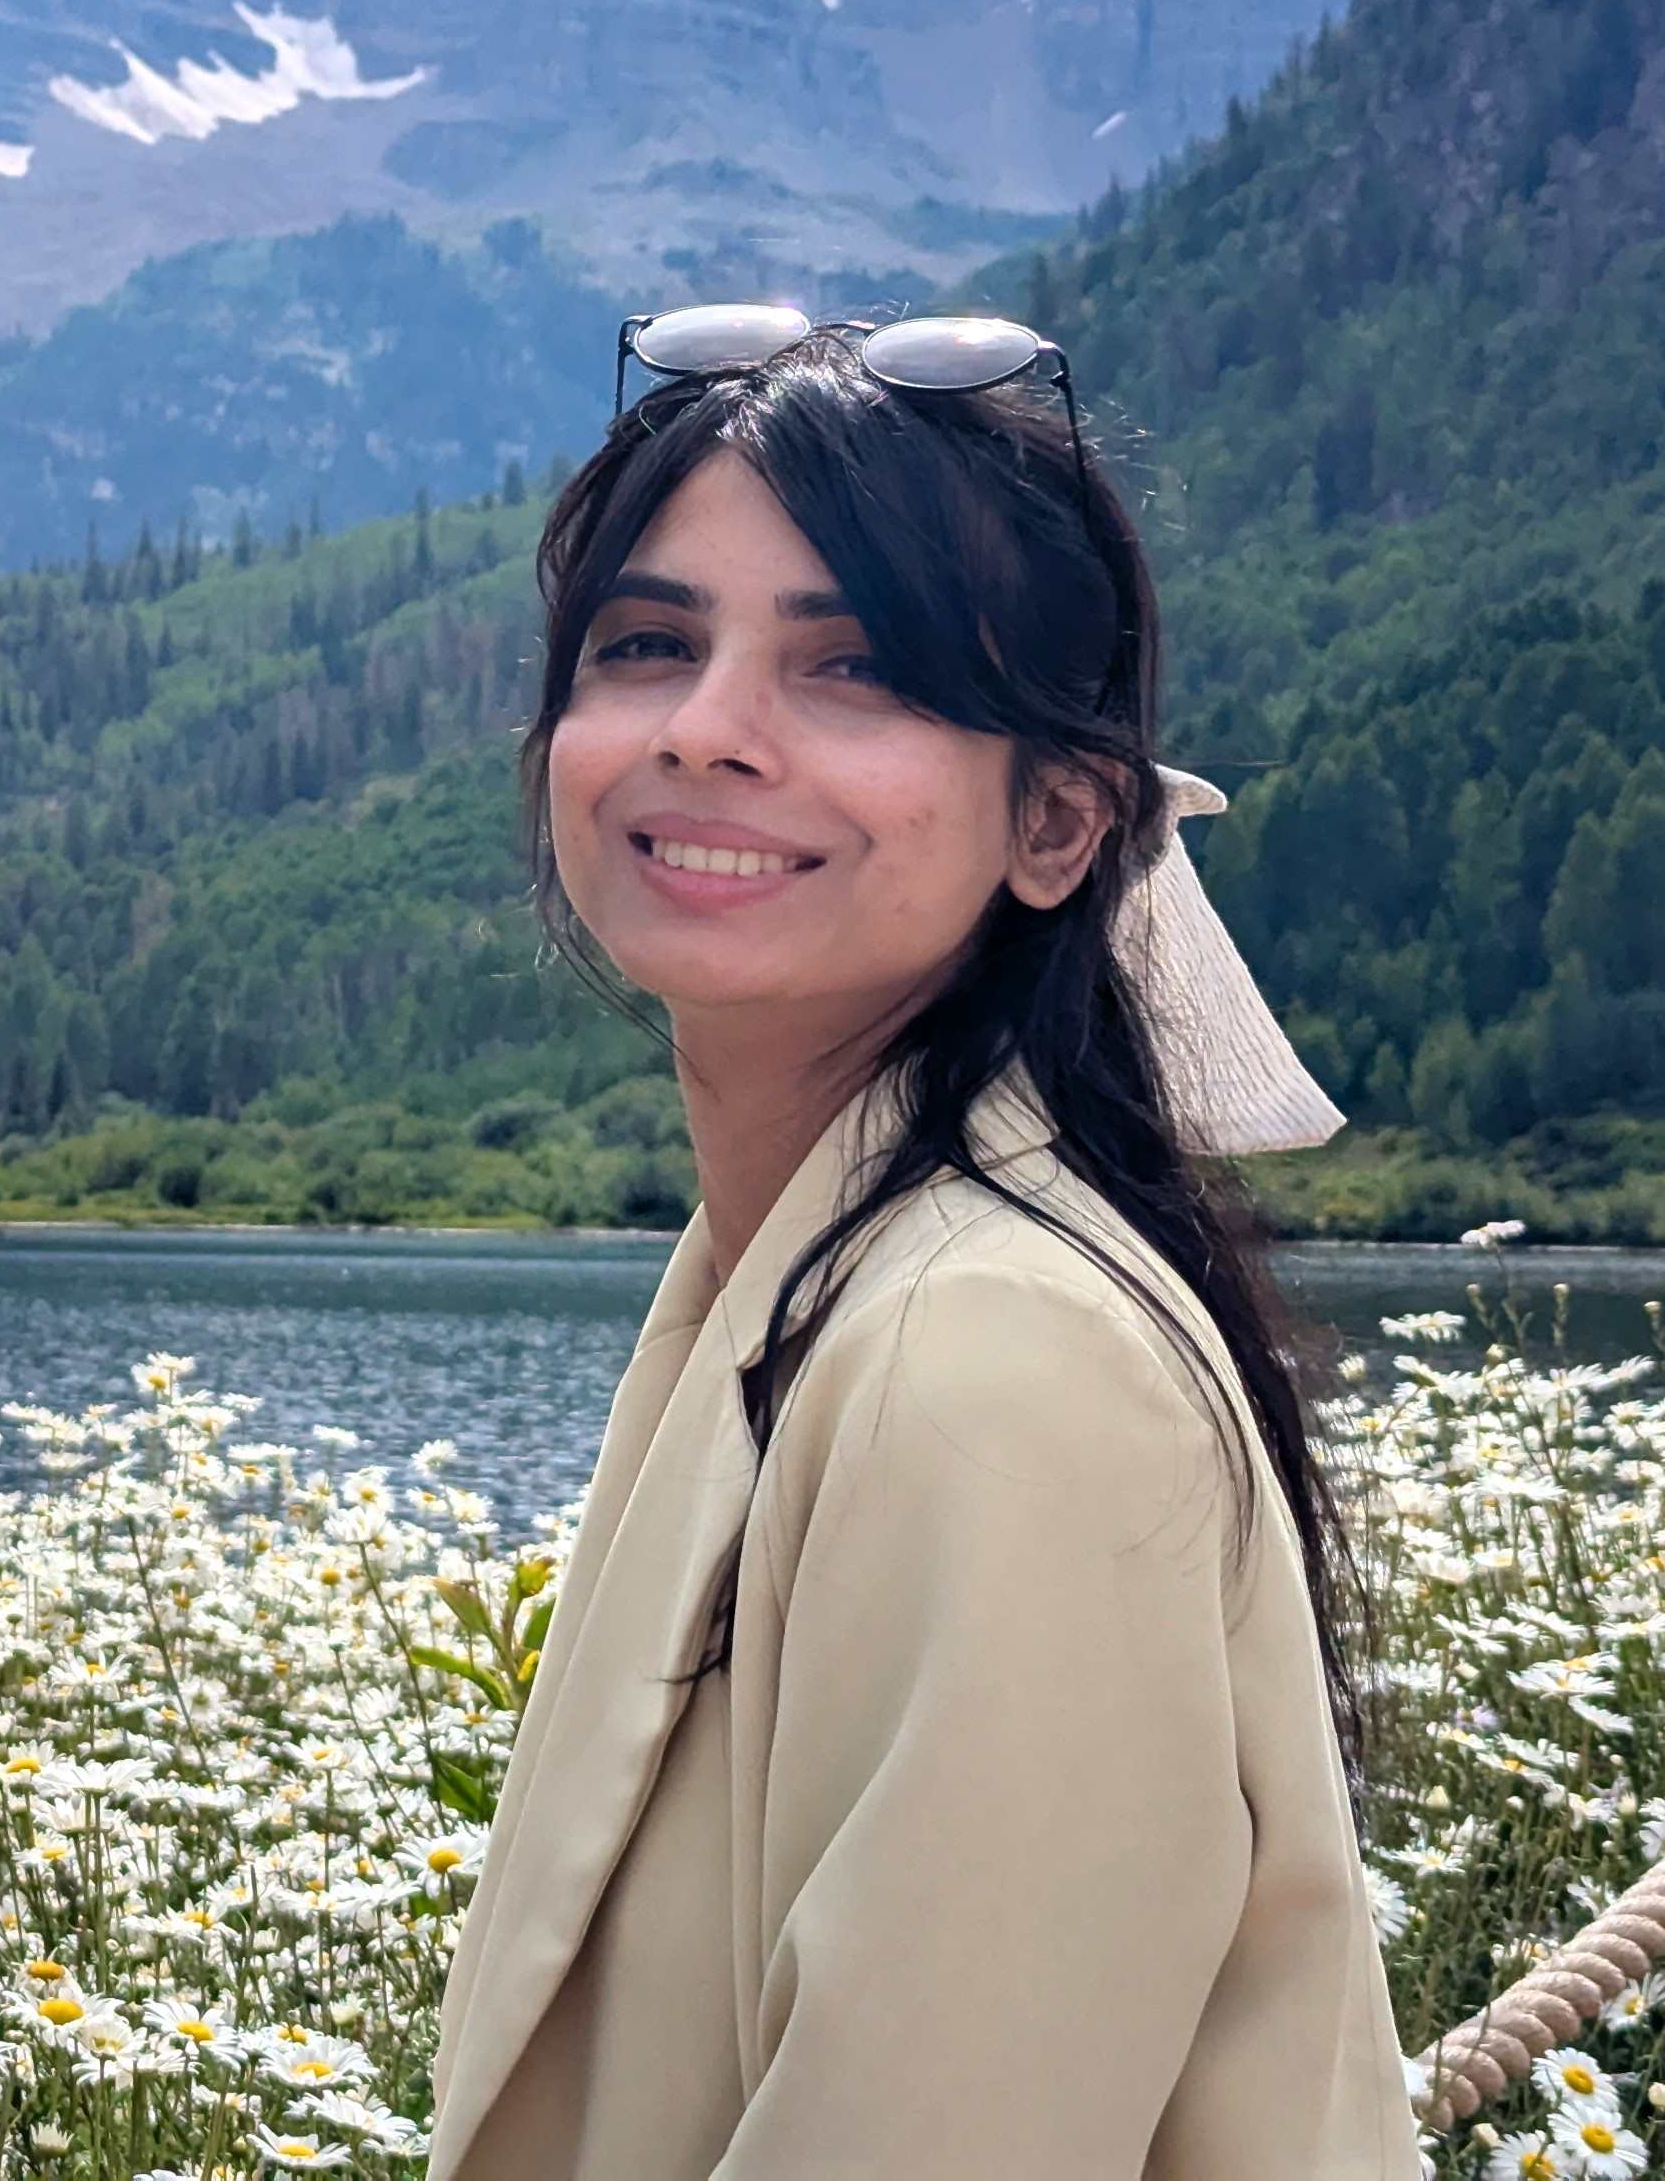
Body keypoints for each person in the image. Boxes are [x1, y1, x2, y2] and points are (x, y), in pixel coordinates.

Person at [424, 308, 1421, 2180]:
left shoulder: (989, 1359)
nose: (707, 734)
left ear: (1060, 822)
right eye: (647, 645)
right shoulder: (811, 1264)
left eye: (854, 669)